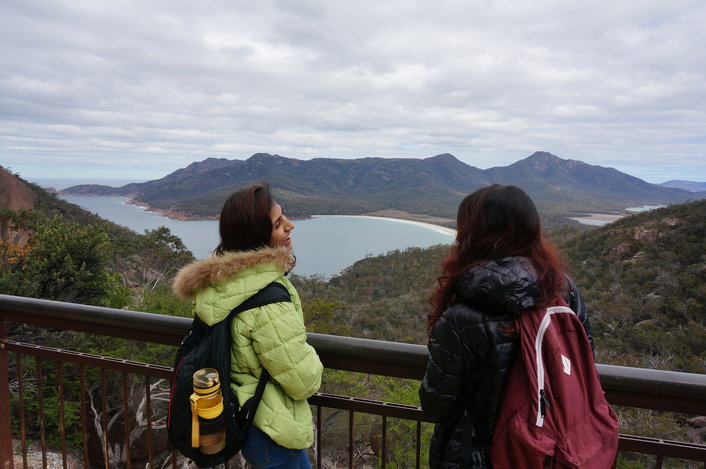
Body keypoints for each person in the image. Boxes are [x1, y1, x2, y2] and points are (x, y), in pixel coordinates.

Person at [418, 184, 592, 469]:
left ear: (472, 233)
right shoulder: (563, 291)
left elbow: (436, 405)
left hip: (477, 454)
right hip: (555, 449)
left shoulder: (462, 315)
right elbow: (582, 361)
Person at [173, 182, 323, 469]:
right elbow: (302, 380)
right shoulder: (267, 297)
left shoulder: (220, 283)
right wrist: (315, 362)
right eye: (279, 224)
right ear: (257, 234)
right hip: (271, 429)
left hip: (240, 415)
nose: (290, 226)